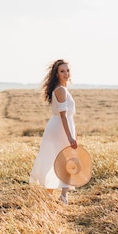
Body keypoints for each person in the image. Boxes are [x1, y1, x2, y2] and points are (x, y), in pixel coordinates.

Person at [29, 59, 78, 204]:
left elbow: (67, 116)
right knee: (67, 161)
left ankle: (52, 194)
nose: (66, 74)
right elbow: (63, 116)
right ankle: (63, 196)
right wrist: (70, 137)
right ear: (56, 74)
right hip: (60, 128)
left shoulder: (62, 89)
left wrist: (74, 134)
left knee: (55, 159)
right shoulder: (61, 90)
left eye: (67, 70)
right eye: (62, 71)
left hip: (61, 126)